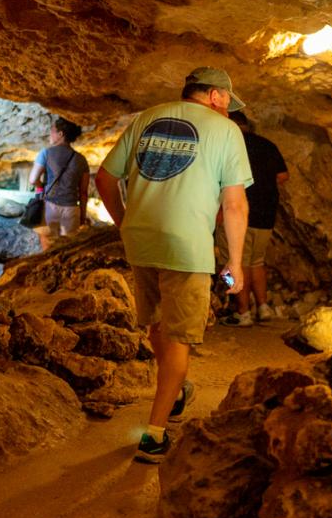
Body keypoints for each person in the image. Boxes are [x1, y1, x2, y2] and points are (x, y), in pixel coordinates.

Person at [95, 67, 252, 464]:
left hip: (141, 238)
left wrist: (124, 220)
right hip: (186, 245)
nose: (229, 112)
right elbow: (234, 204)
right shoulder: (225, 131)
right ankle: (154, 434)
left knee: (157, 324)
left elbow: (105, 177)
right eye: (228, 104)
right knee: (179, 336)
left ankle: (175, 388)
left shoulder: (146, 118)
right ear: (215, 96)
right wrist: (235, 262)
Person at [218, 110, 289, 327]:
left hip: (236, 215)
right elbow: (283, 176)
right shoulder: (267, 145)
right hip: (266, 216)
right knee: (256, 262)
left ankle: (242, 312)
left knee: (233, 263)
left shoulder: (227, 145)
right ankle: (263, 307)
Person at [27, 118, 90, 249]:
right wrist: (83, 216)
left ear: (60, 134)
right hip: (71, 210)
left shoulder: (46, 153)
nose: (50, 134)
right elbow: (83, 192)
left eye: (52, 131)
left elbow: (33, 179)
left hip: (49, 206)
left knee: (47, 247)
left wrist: (41, 186)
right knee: (68, 249)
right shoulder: (81, 160)